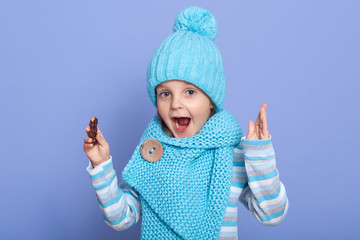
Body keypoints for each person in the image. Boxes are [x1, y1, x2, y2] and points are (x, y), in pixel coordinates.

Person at [83, 6, 288, 240]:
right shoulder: (150, 154)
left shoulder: (232, 156)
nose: (175, 104)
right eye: (165, 93)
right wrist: (101, 166)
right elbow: (120, 218)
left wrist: (260, 158)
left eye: (190, 92)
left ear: (212, 102)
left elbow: (273, 214)